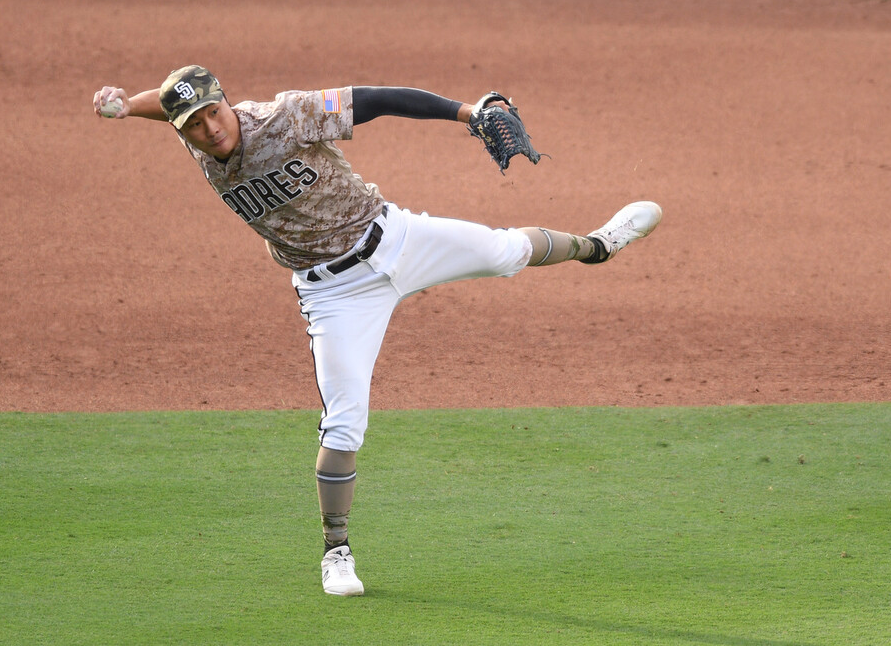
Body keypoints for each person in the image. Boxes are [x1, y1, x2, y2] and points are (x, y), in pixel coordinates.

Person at [93, 65, 661, 596]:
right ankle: (335, 552)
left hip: (394, 239)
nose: (210, 129)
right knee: (344, 421)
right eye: (193, 124)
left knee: (505, 251)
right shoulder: (194, 137)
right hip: (334, 294)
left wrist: (469, 112)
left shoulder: (286, 116)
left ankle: (598, 246)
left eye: (213, 113)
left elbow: (378, 100)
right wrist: (124, 106)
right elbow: (164, 104)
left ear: (225, 101)